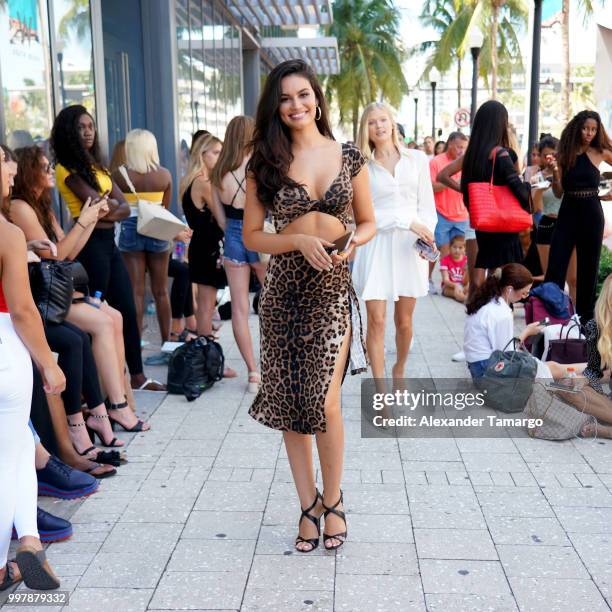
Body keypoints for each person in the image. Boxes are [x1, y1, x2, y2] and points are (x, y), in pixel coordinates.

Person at [244, 59, 376, 552]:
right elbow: (253, 236)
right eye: (284, 98)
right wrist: (296, 241)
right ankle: (307, 505)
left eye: (302, 95)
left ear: (317, 98)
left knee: (324, 401)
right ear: (275, 108)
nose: (295, 105)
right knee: (290, 405)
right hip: (283, 294)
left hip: (331, 290)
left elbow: (367, 221)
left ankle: (334, 499)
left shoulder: (348, 155)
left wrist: (353, 242)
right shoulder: (266, 163)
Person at [10, 146, 150, 441]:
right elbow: (56, 256)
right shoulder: (20, 207)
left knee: (114, 316)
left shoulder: (42, 205)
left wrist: (87, 219)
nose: (50, 172)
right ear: (28, 171)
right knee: (102, 322)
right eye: (44, 167)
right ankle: (114, 407)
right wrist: (86, 220)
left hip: (56, 294)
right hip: (43, 299)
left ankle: (121, 400)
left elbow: (67, 250)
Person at [50, 105, 164, 391]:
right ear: (69, 131)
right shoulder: (66, 168)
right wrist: (110, 206)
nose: (88, 131)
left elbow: (124, 206)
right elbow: (99, 206)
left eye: (90, 126)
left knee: (125, 307)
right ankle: (97, 386)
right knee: (96, 314)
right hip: (88, 245)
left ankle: (136, 375)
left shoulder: (96, 165)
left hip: (108, 242)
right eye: (81, 127)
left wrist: (110, 207)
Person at [0, 145, 65, 592]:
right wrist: (48, 363)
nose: (10, 169)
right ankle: (9, 560)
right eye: (1, 162)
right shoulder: (7, 234)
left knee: (21, 442)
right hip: (5, 348)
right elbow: (23, 311)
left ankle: (30, 540)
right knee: (9, 457)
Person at [351, 102, 437, 388]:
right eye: (372, 122)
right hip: (375, 247)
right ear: (366, 129)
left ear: (392, 122)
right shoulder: (361, 165)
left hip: (409, 248)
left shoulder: (417, 159)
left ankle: (399, 368)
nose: (379, 125)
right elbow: (364, 214)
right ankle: (380, 390)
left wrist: (426, 232)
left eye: (383, 119)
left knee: (404, 322)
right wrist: (406, 221)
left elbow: (427, 207)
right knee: (376, 321)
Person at [211, 116, 266, 393]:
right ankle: (276, 363)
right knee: (275, 300)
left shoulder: (218, 172)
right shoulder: (260, 166)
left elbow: (220, 220)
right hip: (260, 232)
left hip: (233, 235)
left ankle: (253, 372)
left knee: (239, 309)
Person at [545, 110, 612, 323]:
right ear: (577, 128)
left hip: (592, 213)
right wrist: (555, 171)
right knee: (556, 265)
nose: (589, 133)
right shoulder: (565, 153)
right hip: (568, 211)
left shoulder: (600, 152)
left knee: (588, 270)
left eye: (593, 129)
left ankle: (585, 323)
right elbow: (558, 192)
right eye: (585, 128)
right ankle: (550, 317)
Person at [464, 263, 585, 380]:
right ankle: (595, 371)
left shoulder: (488, 300)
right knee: (551, 368)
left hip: (478, 366)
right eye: (524, 292)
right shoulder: (502, 313)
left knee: (551, 368)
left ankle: (591, 372)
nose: (525, 297)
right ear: (509, 289)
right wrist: (527, 332)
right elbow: (506, 354)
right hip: (487, 370)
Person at [180, 135, 236, 377]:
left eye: (220, 151)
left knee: (205, 306)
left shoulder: (191, 180)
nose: (219, 156)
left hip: (201, 247)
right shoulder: (204, 182)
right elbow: (223, 218)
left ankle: (208, 356)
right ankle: (209, 360)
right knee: (205, 307)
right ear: (201, 155)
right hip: (208, 249)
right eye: (214, 152)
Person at [113, 129, 173, 347]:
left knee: (136, 291)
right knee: (161, 290)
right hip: (156, 226)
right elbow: (165, 208)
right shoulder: (164, 175)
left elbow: (116, 204)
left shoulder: (119, 175)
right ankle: (167, 341)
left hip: (129, 226)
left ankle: (135, 342)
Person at [460, 101, 531, 276]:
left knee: (494, 274)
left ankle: (491, 303)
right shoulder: (500, 154)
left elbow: (465, 186)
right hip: (504, 225)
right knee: (506, 277)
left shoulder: (472, 156)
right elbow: (520, 192)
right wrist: (528, 182)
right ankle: (500, 304)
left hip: (484, 225)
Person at [530, 135, 578, 301]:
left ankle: (574, 317)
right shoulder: (538, 176)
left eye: (554, 155)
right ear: (541, 157)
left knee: (573, 279)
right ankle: (552, 318)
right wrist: (541, 188)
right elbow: (535, 207)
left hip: (568, 224)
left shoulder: (568, 173)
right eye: (546, 156)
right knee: (550, 279)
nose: (550, 159)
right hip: (547, 224)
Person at [429, 131, 469, 293]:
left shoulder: (467, 162)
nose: (461, 151)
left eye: (464, 147)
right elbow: (431, 187)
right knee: (444, 253)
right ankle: (433, 280)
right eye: (459, 147)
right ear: (450, 144)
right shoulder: (436, 162)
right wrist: (451, 182)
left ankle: (456, 283)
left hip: (462, 215)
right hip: (441, 213)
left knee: (461, 253)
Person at [440, 235, 468, 303]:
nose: (457, 250)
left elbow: (466, 280)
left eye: (460, 248)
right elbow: (445, 280)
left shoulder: (466, 260)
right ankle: (465, 299)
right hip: (449, 286)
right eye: (454, 247)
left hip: (463, 285)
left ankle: (465, 296)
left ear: (464, 249)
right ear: (450, 247)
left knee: (469, 287)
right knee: (449, 291)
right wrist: (456, 285)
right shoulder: (445, 260)